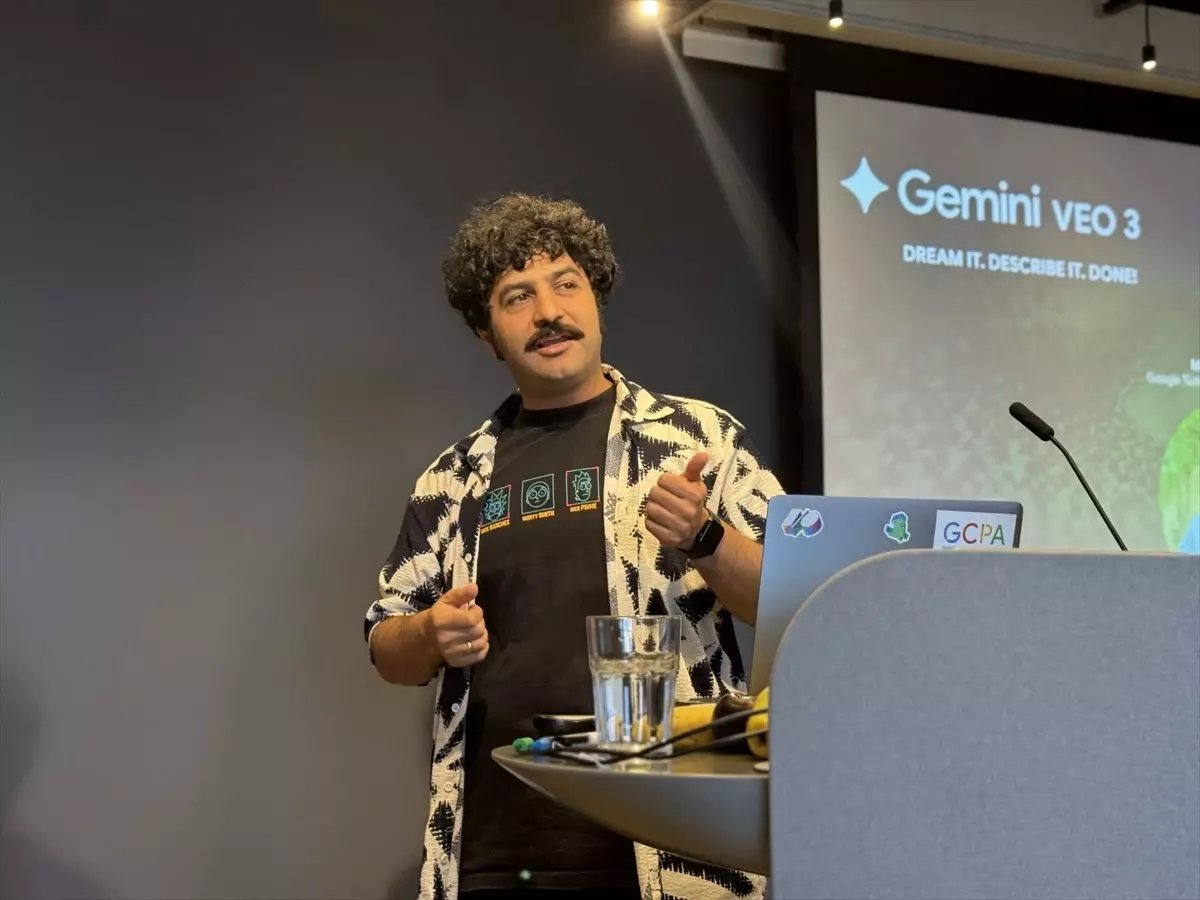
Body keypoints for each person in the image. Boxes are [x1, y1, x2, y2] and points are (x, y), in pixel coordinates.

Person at [365, 193, 784, 900]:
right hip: (495, 848)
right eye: (517, 297)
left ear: (596, 299)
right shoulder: (452, 479)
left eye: (566, 284)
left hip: (675, 843)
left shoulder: (697, 438)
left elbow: (790, 602)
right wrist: (431, 633)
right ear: (488, 336)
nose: (548, 311)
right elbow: (385, 645)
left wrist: (706, 537)